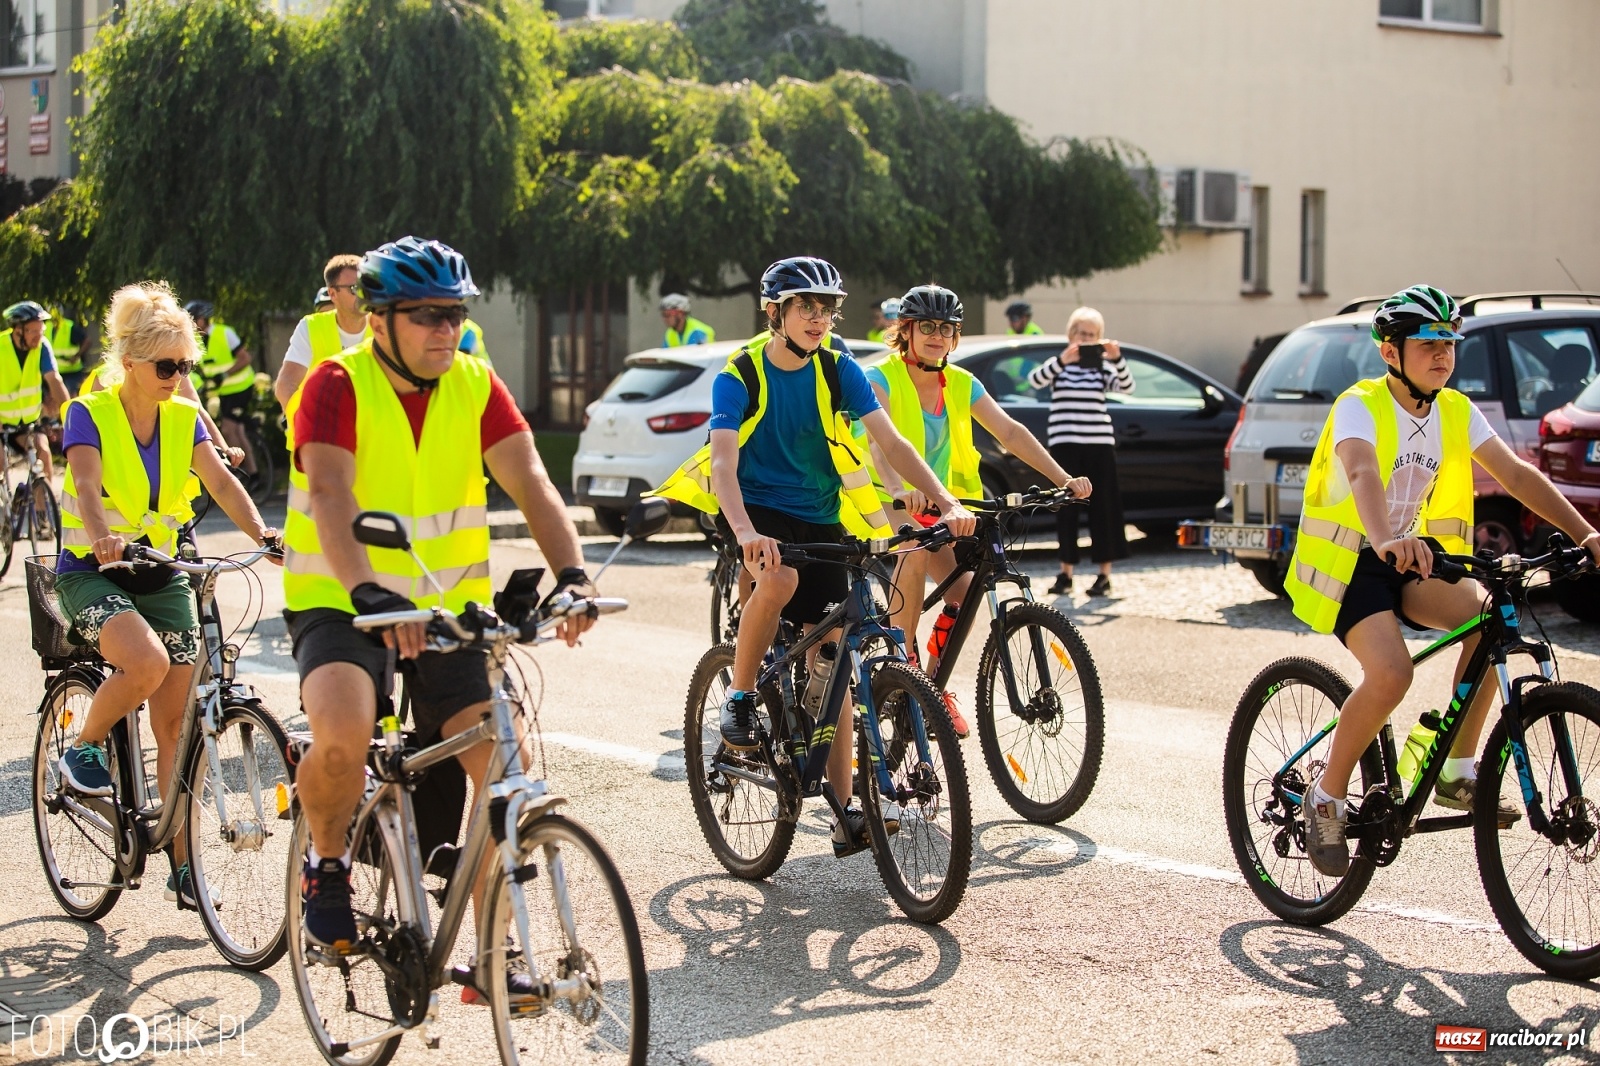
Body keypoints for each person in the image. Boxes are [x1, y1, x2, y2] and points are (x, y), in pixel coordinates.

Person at [285, 237, 596, 997]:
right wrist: (368, 593)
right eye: (426, 315)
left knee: (507, 765)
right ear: (381, 319)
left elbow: (532, 482)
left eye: (454, 314)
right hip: (340, 597)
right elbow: (329, 493)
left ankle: (490, 951)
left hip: (448, 605)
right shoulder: (335, 382)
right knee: (345, 736)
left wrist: (574, 574)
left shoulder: (476, 383)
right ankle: (326, 866)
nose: (443, 329)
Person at [652, 256, 976, 856]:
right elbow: (723, 462)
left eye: (827, 309)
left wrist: (943, 498)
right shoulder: (741, 373)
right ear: (775, 312)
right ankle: (742, 698)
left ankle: (846, 806)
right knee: (775, 584)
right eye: (806, 307)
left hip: (820, 511)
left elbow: (892, 441)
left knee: (839, 659)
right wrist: (747, 533)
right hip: (756, 509)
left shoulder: (837, 369)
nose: (819, 319)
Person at [1290, 285, 1600, 878]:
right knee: (1392, 674)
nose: (1443, 354)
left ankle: (1457, 772)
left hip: (1412, 556)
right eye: (1429, 343)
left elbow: (1515, 474)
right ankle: (1325, 797)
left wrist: (1588, 534)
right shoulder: (1361, 404)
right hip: (1352, 560)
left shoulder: (1455, 409)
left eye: (1449, 343)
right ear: (1390, 352)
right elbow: (1360, 471)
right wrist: (1382, 537)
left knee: (1490, 620)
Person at [51, 281, 277, 910]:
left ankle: (183, 863)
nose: (178, 377)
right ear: (130, 363)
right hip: (92, 573)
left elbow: (221, 482)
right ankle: (84, 746)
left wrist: (263, 531)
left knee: (177, 722)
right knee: (145, 664)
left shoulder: (182, 418)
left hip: (161, 572)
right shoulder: (87, 413)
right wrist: (100, 539)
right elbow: (89, 486)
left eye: (185, 365)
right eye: (166, 366)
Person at [862, 285, 1090, 737]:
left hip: (943, 506)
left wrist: (1062, 479)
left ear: (955, 337)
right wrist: (899, 490)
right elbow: (879, 444)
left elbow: (1010, 431)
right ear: (905, 331)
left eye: (946, 329)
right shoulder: (880, 379)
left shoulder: (963, 383)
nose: (936, 336)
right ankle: (898, 667)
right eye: (926, 327)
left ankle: (930, 684)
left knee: (965, 592)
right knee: (912, 546)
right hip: (882, 498)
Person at [1028, 306, 1133, 596]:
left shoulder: (1102, 367)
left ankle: (1104, 575)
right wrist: (1063, 360)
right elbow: (1035, 381)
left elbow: (1127, 387)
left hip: (1099, 444)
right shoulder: (1059, 364)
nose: (1085, 339)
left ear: (1099, 338)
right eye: (1080, 333)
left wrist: (1117, 358)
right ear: (1070, 334)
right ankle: (1066, 572)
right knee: (1066, 508)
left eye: (1091, 335)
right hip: (1065, 444)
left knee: (1105, 509)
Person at [274, 255, 370, 411]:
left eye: (365, 286)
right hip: (321, 430)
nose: (362, 294)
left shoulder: (384, 325)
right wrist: (308, 424)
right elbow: (285, 385)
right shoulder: (311, 327)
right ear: (333, 294)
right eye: (354, 289)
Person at [185, 300, 259, 480]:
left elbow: (245, 358)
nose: (190, 324)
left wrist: (224, 375)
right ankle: (254, 474)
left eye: (192, 319)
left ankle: (235, 472)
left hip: (241, 387)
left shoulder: (225, 332)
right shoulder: (196, 340)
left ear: (202, 320)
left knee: (227, 429)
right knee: (238, 432)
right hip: (224, 391)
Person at [1, 301, 73, 488]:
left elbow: (54, 381)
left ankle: (43, 513)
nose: (38, 336)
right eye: (33, 331)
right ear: (18, 330)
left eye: (40, 331)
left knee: (43, 453)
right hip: (2, 424)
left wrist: (71, 417)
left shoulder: (42, 347)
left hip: (27, 423)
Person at [48, 306, 90, 396]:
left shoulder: (69, 327)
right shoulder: (46, 327)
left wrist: (77, 356)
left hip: (72, 372)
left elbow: (87, 341)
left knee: (71, 398)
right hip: (55, 372)